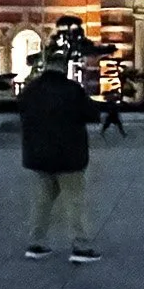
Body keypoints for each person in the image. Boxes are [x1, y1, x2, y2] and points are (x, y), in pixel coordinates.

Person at [18, 54, 100, 262]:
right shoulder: (72, 90)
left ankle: (36, 243)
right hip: (69, 155)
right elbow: (92, 113)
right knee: (74, 201)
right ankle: (80, 246)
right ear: (64, 68)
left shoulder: (31, 89)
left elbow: (22, 113)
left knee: (42, 200)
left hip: (39, 155)